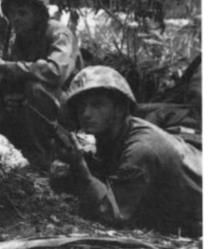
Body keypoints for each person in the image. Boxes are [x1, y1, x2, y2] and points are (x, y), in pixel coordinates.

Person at [58, 66, 201, 237]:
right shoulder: (114, 134)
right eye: (81, 107)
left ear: (119, 108)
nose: (86, 114)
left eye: (97, 105)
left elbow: (113, 214)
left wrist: (79, 167)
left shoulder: (141, 148)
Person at [0, 0, 80, 168]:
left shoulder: (58, 34)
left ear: (38, 14)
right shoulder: (22, 38)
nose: (16, 18)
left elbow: (56, 72)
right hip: (41, 108)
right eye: (12, 13)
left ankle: (45, 157)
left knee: (35, 88)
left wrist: (9, 67)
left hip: (71, 107)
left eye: (22, 13)